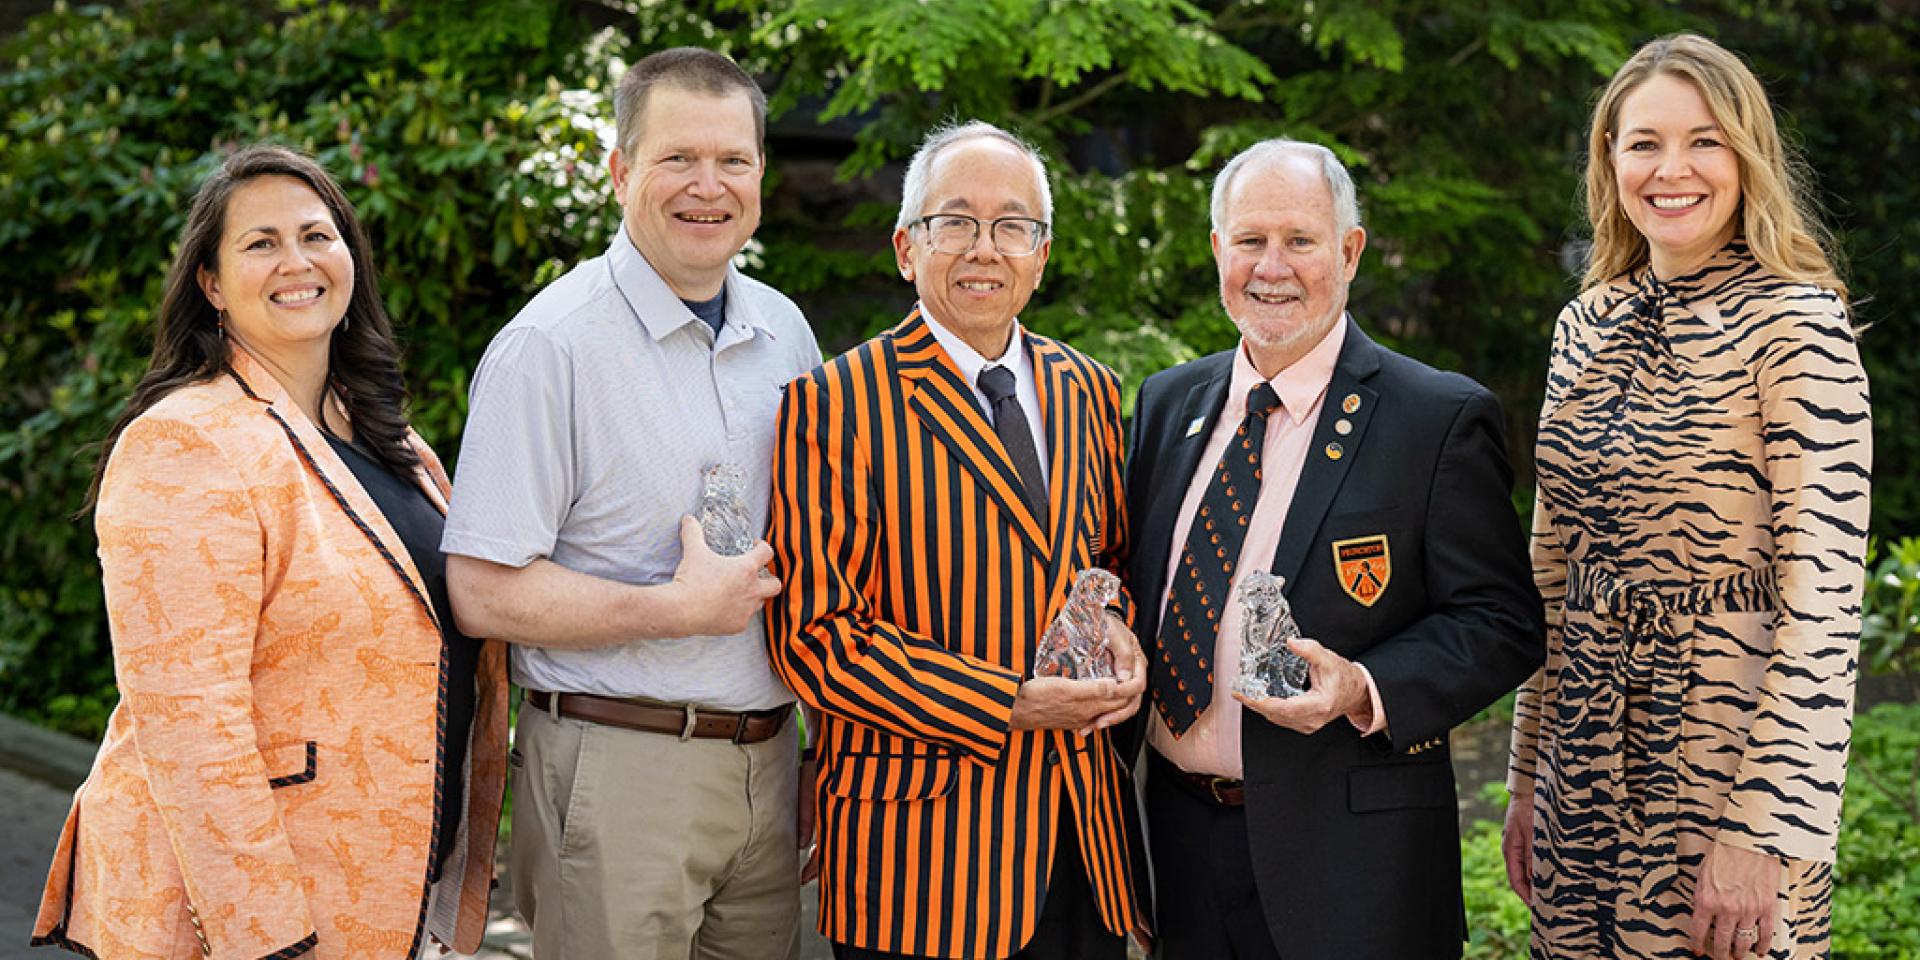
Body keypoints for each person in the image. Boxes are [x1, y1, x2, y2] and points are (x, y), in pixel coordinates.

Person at [30, 144, 506, 959]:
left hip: (385, 887)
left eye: (317, 235)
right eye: (261, 243)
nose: (297, 261)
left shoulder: (383, 434)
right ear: (211, 284)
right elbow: (190, 724)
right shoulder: (184, 441)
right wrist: (267, 938)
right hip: (256, 917)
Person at [1120, 138, 1545, 960]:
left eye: (1300, 240)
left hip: (1353, 874)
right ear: (1217, 250)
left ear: (1349, 253)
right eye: (1250, 240)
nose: (1271, 267)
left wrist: (1362, 686)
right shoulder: (1167, 403)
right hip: (1175, 847)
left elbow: (1503, 623)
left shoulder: (1435, 418)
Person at [441, 47, 821, 960]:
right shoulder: (549, 346)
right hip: (616, 769)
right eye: (677, 158)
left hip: (773, 763)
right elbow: (481, 592)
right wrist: (672, 610)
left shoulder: (785, 331)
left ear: (760, 175)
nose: (708, 186)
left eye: (732, 160)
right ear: (619, 171)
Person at [1503, 33, 1871, 960]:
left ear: (1747, 156)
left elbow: (1825, 603)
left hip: (1728, 767)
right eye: (1645, 143)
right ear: (1610, 159)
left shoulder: (1798, 325)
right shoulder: (1584, 323)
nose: (1672, 170)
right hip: (1580, 764)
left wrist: (1766, 828)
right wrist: (1525, 779)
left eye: (1704, 141)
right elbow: (1550, 572)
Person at [766, 120, 1149, 960]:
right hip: (924, 864)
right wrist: (1010, 702)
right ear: (907, 248)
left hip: (1081, 844)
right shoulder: (835, 403)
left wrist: (1117, 623)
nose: (984, 248)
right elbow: (817, 641)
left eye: (1012, 225)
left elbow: (1106, 562)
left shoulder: (1088, 389)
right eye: (956, 222)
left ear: (1040, 255)